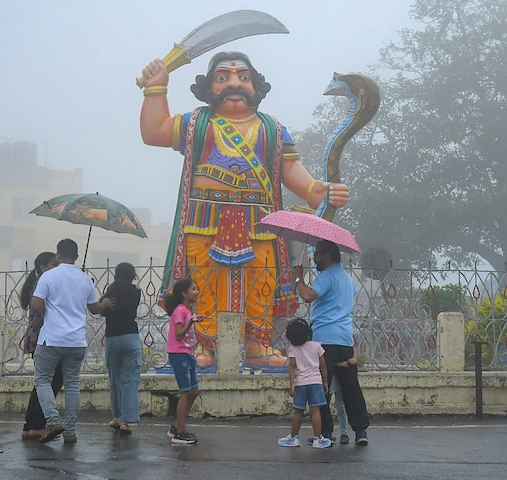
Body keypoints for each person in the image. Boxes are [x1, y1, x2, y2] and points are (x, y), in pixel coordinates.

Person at [139, 51, 350, 368]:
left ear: (256, 86)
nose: (234, 83)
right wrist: (156, 89)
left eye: (244, 77)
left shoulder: (273, 129)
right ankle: (205, 348)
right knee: (204, 284)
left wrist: (316, 191)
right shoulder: (196, 123)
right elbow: (153, 131)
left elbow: (290, 170)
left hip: (259, 221)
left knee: (260, 282)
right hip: (204, 218)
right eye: (223, 77)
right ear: (209, 86)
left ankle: (257, 346)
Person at [31, 239, 113, 444]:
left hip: (51, 339)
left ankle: (52, 421)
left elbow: (36, 303)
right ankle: (69, 431)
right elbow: (94, 309)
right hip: (76, 341)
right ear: (76, 256)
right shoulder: (85, 279)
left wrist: (49, 310)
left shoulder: (49, 276)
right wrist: (104, 303)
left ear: (58, 255)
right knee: (73, 384)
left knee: (42, 380)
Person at [292, 239, 370, 445]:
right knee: (351, 387)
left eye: (317, 254)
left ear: (326, 255)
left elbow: (308, 296)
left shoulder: (327, 276)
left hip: (325, 339)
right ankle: (361, 431)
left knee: (322, 387)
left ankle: (325, 432)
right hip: (344, 338)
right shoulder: (346, 278)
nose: (314, 259)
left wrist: (298, 278)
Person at [19, 251, 61, 440]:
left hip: (38, 337)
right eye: (54, 265)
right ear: (43, 267)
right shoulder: (43, 283)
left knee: (43, 382)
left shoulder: (40, 282)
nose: (57, 269)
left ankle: (30, 426)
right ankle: (36, 426)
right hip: (44, 337)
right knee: (50, 382)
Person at [277, 318, 331, 449]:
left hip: (300, 383)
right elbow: (323, 365)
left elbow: (292, 367)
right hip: (316, 383)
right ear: (308, 333)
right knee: (315, 412)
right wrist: (325, 382)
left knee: (298, 412)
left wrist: (292, 385)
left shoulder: (293, 349)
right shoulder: (317, 346)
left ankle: (293, 438)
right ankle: (318, 439)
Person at [102, 262, 142, 435]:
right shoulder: (136, 291)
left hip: (112, 337)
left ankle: (117, 417)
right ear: (131, 275)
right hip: (130, 337)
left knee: (115, 378)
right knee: (130, 380)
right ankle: (127, 421)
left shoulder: (111, 291)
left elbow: (102, 310)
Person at [164, 278, 202, 444]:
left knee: (194, 391)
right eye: (193, 289)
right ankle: (180, 431)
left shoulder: (188, 310)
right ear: (184, 293)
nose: (197, 292)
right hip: (178, 354)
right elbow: (179, 334)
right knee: (185, 391)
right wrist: (191, 322)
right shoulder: (180, 311)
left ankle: (178, 425)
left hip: (188, 353)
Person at [332, 341, 358, 444]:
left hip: (344, 372)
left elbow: (354, 348)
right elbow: (326, 357)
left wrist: (354, 359)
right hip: (331, 372)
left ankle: (344, 432)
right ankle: (325, 432)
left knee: (340, 404)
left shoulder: (346, 336)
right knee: (325, 403)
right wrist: (338, 364)